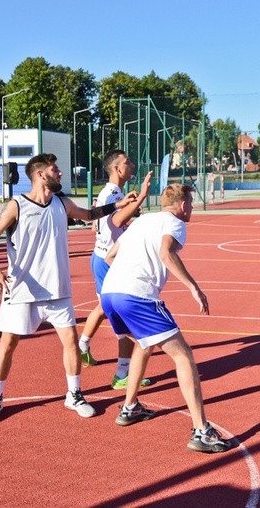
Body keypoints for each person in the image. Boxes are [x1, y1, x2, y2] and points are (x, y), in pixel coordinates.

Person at [0, 153, 139, 424]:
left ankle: (74, 394)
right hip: (22, 290)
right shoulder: (17, 205)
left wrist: (117, 204)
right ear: (41, 174)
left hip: (58, 290)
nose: (61, 173)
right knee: (7, 344)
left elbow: (89, 215)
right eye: (56, 170)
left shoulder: (61, 203)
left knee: (70, 343)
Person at [100, 183, 233, 454]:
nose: (192, 208)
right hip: (136, 296)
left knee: (144, 345)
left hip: (110, 293)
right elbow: (165, 252)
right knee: (183, 356)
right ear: (182, 205)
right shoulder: (175, 223)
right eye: (192, 203)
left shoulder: (143, 220)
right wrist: (193, 287)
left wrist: (127, 275)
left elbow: (110, 256)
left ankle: (129, 408)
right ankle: (201, 431)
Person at [78, 150, 153, 390]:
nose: (131, 165)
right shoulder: (111, 192)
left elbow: (101, 226)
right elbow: (117, 221)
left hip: (102, 258)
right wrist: (141, 197)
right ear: (117, 169)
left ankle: (81, 348)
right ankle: (122, 374)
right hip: (107, 262)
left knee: (103, 308)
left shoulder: (112, 193)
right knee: (125, 316)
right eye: (127, 162)